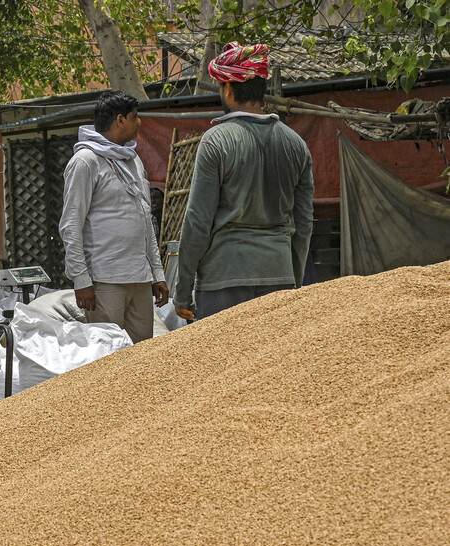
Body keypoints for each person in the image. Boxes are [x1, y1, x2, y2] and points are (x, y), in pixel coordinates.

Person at [173, 42, 314, 321]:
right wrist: (292, 279)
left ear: (227, 88)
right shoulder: (297, 144)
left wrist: (183, 290)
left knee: (223, 364)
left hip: (223, 279)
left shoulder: (215, 142)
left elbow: (198, 221)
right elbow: (304, 223)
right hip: (279, 274)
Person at [59, 90, 168, 343]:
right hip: (104, 281)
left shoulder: (133, 160)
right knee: (106, 357)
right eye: (134, 117)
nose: (139, 122)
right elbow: (71, 225)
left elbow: (145, 220)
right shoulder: (85, 161)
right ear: (120, 121)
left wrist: (157, 274)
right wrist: (81, 280)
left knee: (141, 356)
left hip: (139, 279)